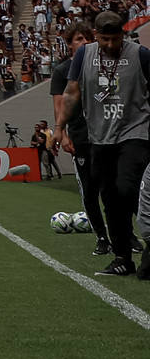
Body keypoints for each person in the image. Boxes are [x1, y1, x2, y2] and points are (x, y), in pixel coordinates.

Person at [57, 11, 150, 278]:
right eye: (105, 39)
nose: (111, 44)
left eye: (116, 38)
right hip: (99, 137)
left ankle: (148, 243)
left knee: (127, 187)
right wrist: (59, 127)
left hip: (136, 133)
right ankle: (122, 257)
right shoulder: (84, 56)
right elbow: (72, 92)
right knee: (108, 196)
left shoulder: (140, 55)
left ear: (124, 34)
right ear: (96, 36)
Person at [53, 20, 110, 254]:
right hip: (81, 138)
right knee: (89, 191)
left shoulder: (106, 65)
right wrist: (63, 134)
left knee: (115, 188)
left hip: (107, 136)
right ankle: (102, 238)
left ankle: (126, 235)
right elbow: (59, 105)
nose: (84, 42)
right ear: (69, 44)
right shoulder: (62, 71)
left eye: (87, 37)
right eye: (78, 38)